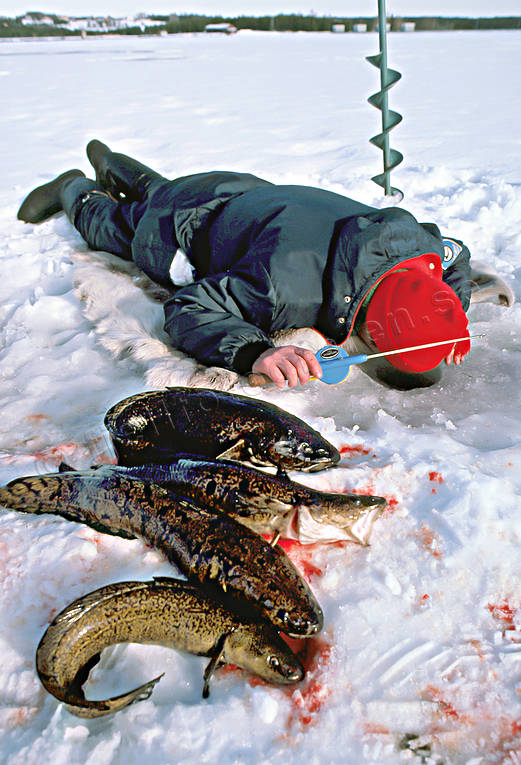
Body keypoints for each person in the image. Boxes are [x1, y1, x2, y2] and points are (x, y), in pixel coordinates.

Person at [17, 140, 473, 391]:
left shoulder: (418, 245)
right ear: (368, 330)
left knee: (159, 187)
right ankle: (74, 187)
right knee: (115, 227)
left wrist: (451, 316)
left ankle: (114, 163)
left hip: (241, 189)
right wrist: (257, 352)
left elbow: (455, 260)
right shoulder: (285, 287)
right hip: (179, 227)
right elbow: (189, 308)